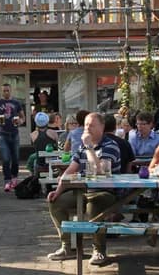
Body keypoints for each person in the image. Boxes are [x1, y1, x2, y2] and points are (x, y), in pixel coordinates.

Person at [46, 112, 122, 265]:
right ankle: (67, 246)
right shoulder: (82, 147)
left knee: (94, 203)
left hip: (105, 192)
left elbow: (99, 170)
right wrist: (58, 190)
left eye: (92, 125)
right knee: (56, 202)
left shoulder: (110, 145)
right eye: (86, 125)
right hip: (82, 191)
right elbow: (70, 170)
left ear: (102, 127)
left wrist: (89, 147)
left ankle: (99, 251)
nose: (88, 128)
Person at [0, 83, 26, 192]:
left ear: (11, 91)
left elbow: (23, 117)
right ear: (1, 91)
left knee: (15, 158)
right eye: (4, 90)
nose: (6, 92)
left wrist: (20, 121)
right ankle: (7, 181)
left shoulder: (16, 103)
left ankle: (14, 179)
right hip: (3, 134)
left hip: (14, 133)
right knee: (6, 159)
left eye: (8, 90)